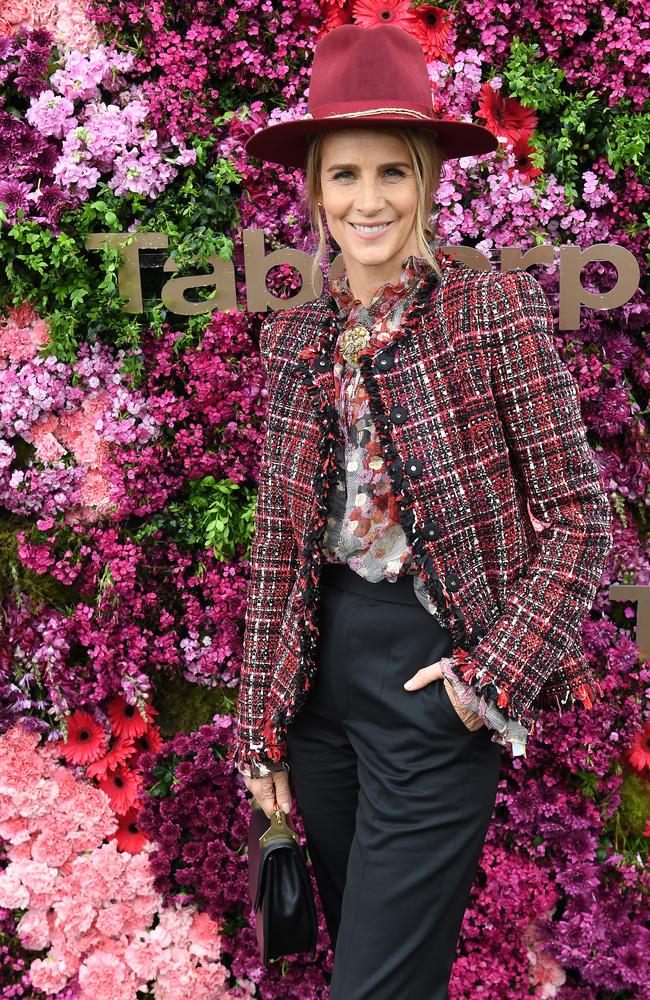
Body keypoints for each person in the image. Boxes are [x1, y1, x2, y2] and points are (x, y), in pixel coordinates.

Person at [228, 22, 613, 1000]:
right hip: (316, 687)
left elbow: (578, 518)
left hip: (431, 677)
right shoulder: (294, 337)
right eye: (345, 174)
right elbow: (279, 549)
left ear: (428, 183)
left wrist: (482, 683)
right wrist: (261, 730)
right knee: (381, 969)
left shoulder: (491, 312)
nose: (369, 200)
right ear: (313, 188)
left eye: (391, 173)